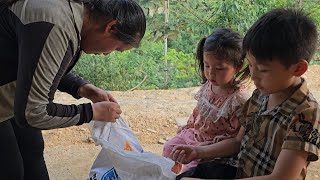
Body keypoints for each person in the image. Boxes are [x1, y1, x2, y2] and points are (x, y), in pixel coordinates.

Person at [0, 0, 146, 179]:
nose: (108, 53)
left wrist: (82, 87)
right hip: (10, 100)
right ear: (111, 27)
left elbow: (39, 62)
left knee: (32, 150)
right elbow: (33, 113)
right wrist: (90, 112)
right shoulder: (56, 24)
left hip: (10, 94)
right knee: (9, 169)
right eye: (117, 48)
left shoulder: (71, 14)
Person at [171, 8, 320, 180]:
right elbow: (237, 142)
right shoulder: (261, 95)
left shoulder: (306, 114)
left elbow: (282, 177)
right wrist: (198, 151)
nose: (254, 76)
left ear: (298, 68)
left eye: (263, 70)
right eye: (250, 65)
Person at [162, 28, 251, 173]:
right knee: (169, 148)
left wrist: (199, 150)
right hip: (195, 135)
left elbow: (235, 141)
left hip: (212, 148)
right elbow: (198, 113)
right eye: (207, 65)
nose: (210, 73)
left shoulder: (238, 100)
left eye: (219, 68)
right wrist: (187, 126)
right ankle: (172, 173)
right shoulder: (209, 85)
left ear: (238, 66)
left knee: (191, 171)